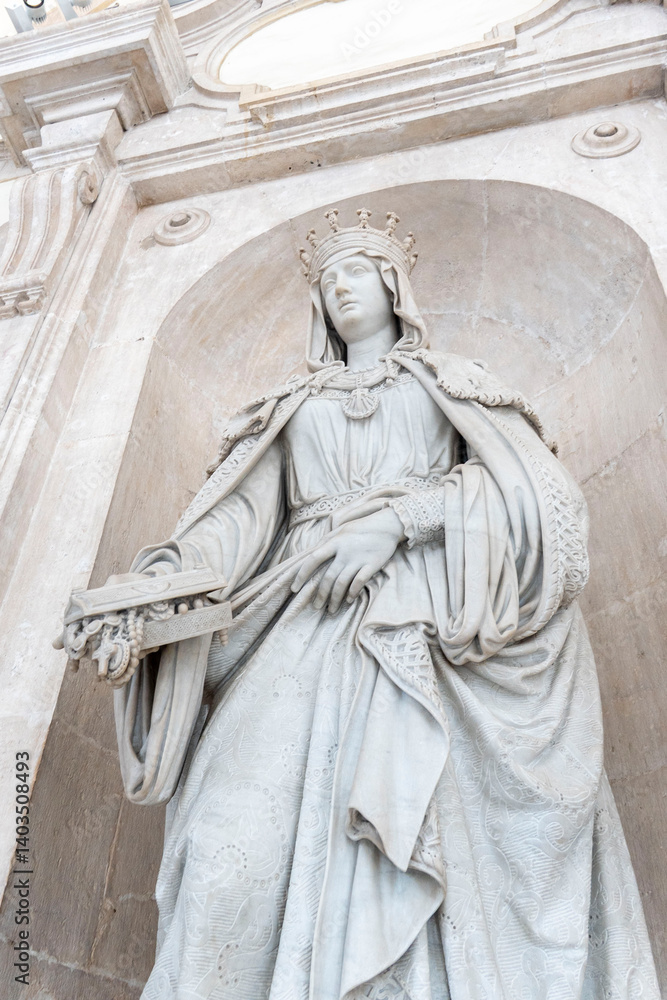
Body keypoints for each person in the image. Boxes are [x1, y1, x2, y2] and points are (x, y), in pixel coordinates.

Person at [113, 209, 659, 1000]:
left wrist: (401, 521)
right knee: (226, 843)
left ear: (392, 285)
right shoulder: (288, 410)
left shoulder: (451, 385)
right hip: (297, 622)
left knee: (412, 828)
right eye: (327, 280)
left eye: (356, 271)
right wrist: (163, 581)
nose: (339, 287)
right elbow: (234, 523)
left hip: (422, 625)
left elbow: (540, 499)